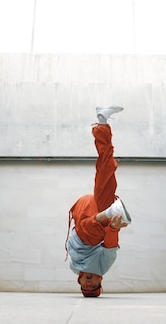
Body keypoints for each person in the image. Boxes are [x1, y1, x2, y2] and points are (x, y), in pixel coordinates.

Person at [65, 106, 132, 297]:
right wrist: (113, 228)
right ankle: (102, 123)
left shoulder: (74, 268)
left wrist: (112, 223)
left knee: (92, 231)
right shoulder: (103, 266)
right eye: (92, 286)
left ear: (79, 281)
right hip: (92, 213)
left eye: (84, 287)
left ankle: (111, 212)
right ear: (100, 280)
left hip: (84, 220)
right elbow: (110, 245)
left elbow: (77, 242)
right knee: (106, 172)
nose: (87, 285)